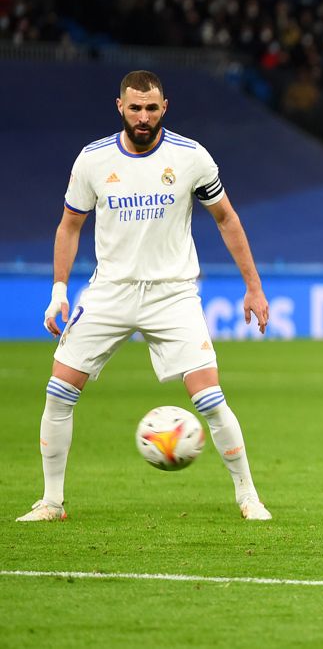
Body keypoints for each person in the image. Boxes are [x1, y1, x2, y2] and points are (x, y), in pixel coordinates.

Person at [19, 70, 271, 522]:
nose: (143, 116)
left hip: (172, 294)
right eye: (134, 107)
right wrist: (59, 292)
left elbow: (227, 218)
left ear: (164, 108)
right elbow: (69, 226)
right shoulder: (92, 160)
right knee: (58, 392)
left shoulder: (191, 157)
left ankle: (248, 496)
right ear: (120, 107)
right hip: (109, 292)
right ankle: (52, 502)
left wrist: (253, 286)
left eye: (151, 108)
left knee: (210, 399)